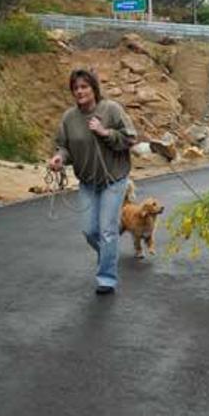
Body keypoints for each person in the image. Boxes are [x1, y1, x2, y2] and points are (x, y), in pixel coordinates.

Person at [48, 69, 137, 295]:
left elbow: (130, 138)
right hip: (88, 181)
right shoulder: (69, 118)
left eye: (84, 86)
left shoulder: (111, 109)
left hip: (113, 179)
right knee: (89, 231)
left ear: (94, 88)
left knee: (107, 230)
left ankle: (106, 278)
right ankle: (108, 256)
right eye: (76, 88)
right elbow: (64, 147)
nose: (80, 91)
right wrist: (59, 158)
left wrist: (105, 132)